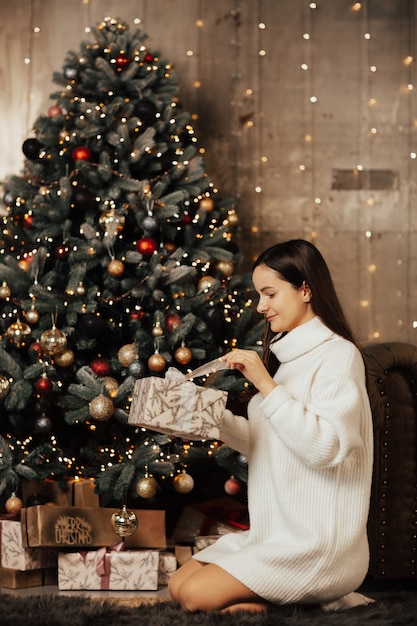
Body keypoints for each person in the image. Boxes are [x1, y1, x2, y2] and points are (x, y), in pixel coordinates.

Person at [168, 239, 374, 613]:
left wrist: (266, 384)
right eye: (259, 295)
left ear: (306, 290)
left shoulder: (338, 357)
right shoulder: (288, 358)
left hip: (319, 545)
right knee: (178, 586)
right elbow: (271, 442)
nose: (261, 306)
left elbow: (324, 447)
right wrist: (209, 418)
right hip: (275, 536)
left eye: (270, 294)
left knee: (197, 597)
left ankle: (316, 601)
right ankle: (298, 604)